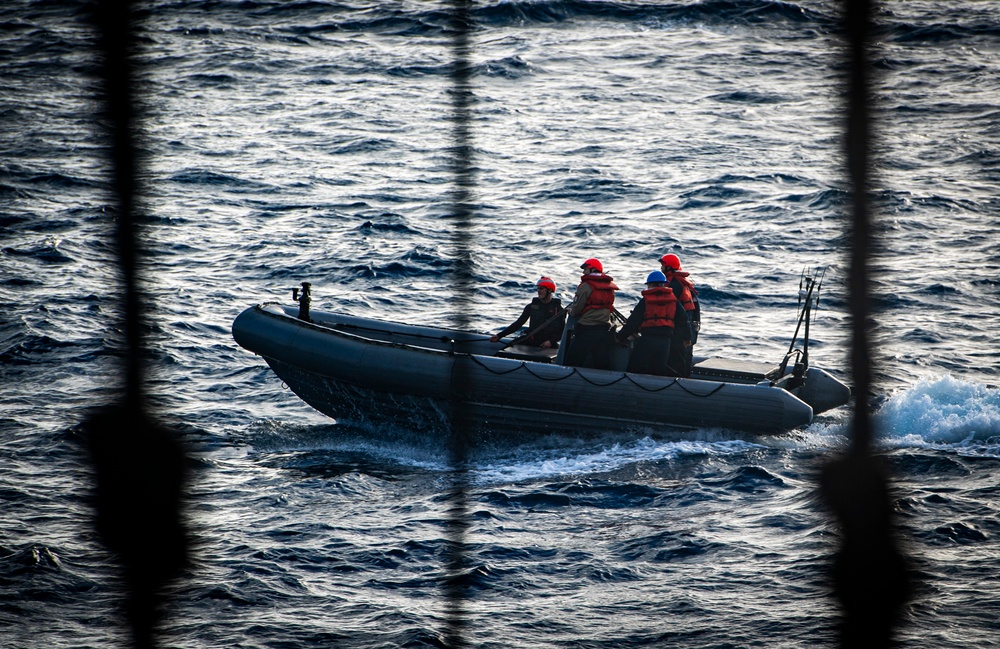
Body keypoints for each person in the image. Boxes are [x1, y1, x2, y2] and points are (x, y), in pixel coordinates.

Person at [616, 271, 689, 376]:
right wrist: (687, 338)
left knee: (634, 368)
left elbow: (633, 322)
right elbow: (683, 319)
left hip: (647, 340)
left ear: (650, 284)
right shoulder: (673, 300)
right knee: (658, 371)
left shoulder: (646, 300)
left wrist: (619, 337)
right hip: (665, 342)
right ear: (664, 284)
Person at [563, 258, 619, 369]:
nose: (583, 272)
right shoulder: (609, 287)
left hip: (587, 330)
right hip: (604, 330)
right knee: (601, 365)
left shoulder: (586, 286)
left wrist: (570, 311)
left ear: (592, 269)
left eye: (585, 269)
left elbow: (577, 310)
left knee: (571, 362)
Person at [490, 277, 566, 348]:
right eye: (538, 288)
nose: (538, 291)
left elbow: (562, 331)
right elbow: (518, 324)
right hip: (532, 339)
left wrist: (551, 342)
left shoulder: (559, 309)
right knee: (507, 347)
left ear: (549, 290)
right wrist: (499, 336)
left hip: (548, 343)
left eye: (541, 289)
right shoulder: (531, 307)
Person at [660, 253, 700, 377]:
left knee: (676, 358)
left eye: (662, 265)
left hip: (680, 328)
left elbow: (670, 308)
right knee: (685, 356)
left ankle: (678, 381)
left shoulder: (674, 285)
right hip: (689, 326)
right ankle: (685, 378)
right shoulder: (683, 283)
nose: (661, 268)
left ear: (668, 267)